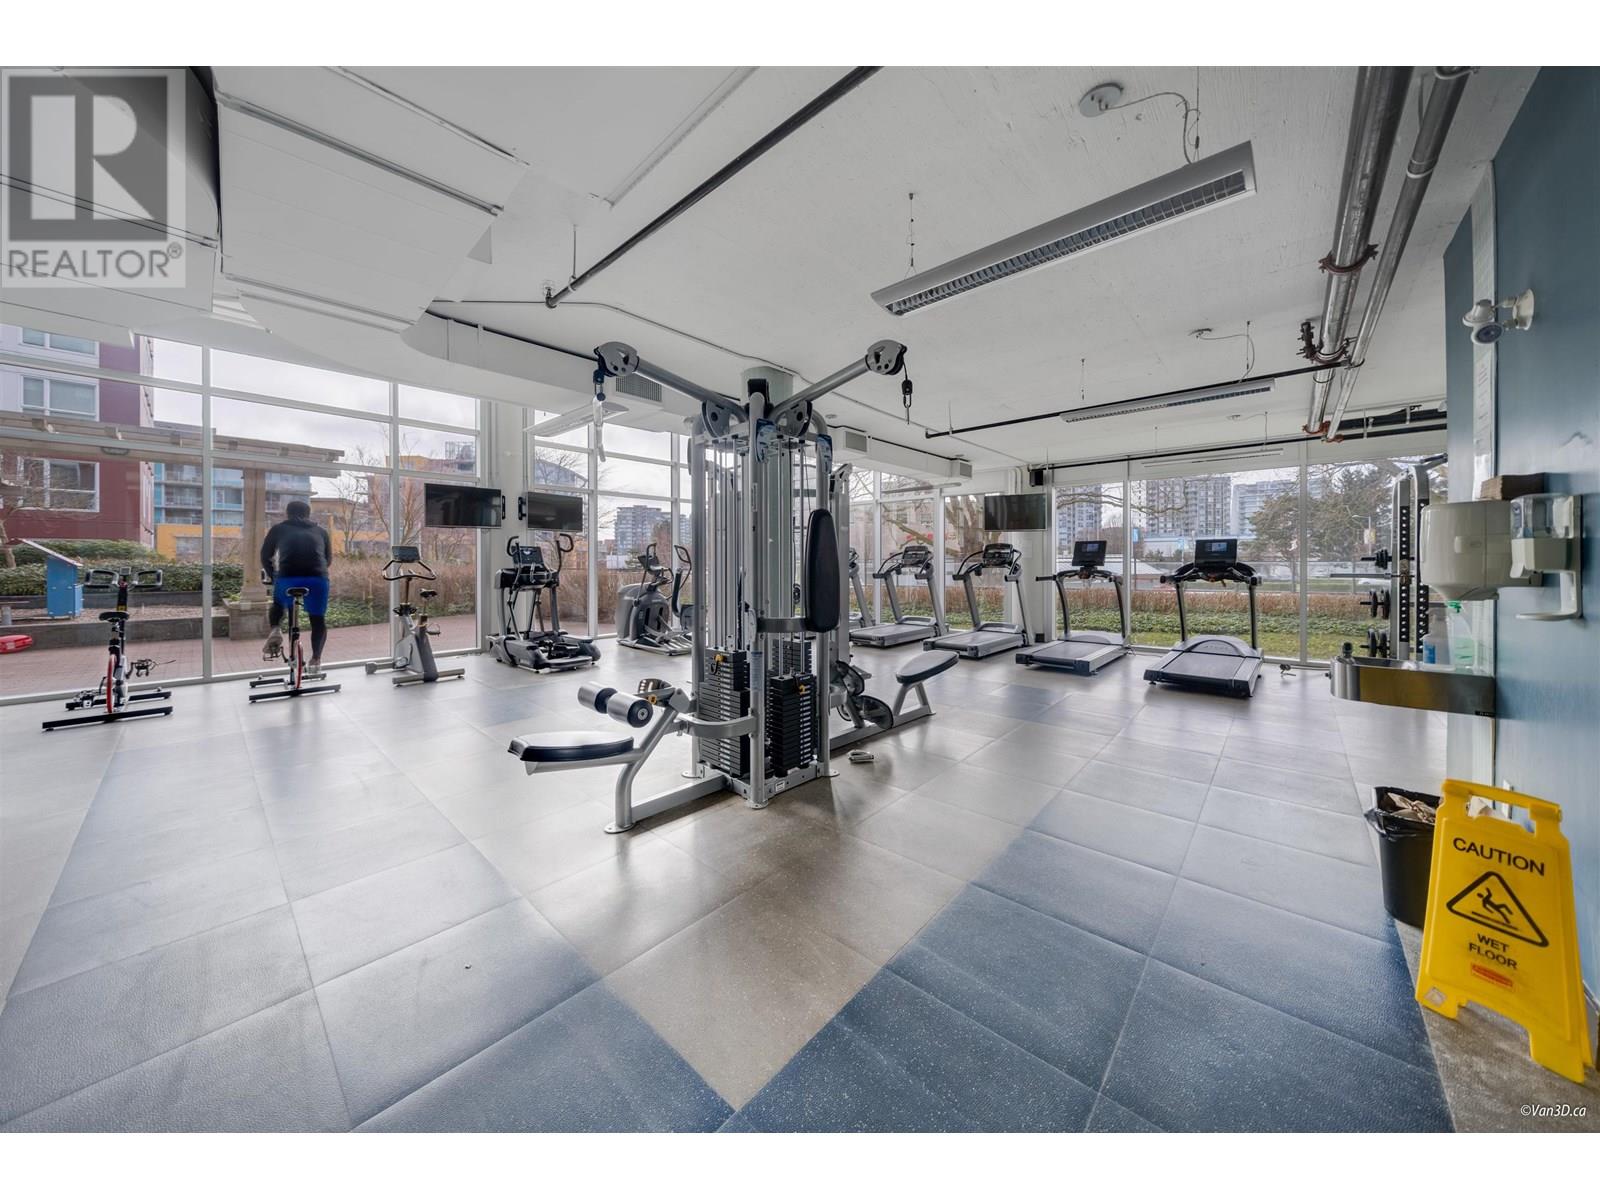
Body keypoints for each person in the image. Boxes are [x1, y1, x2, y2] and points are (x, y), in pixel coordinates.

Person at [259, 499, 333, 673]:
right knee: (318, 619)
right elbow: (328, 559)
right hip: (317, 579)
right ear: (308, 514)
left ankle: (275, 628)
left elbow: (265, 555)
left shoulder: (278, 529)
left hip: (288, 577)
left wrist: (274, 576)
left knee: (278, 604)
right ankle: (316, 660)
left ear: (288, 513)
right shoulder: (321, 532)